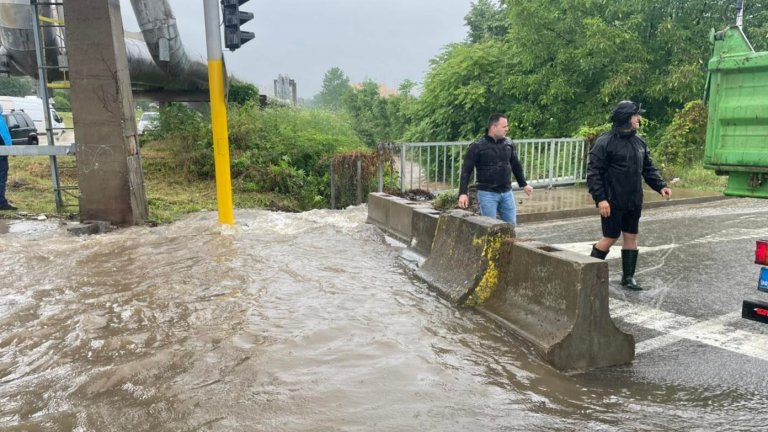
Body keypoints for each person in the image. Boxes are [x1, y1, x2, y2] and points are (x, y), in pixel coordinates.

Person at [587, 100, 671, 290]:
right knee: (610, 237)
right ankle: (589, 275)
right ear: (626, 118)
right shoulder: (605, 142)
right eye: (635, 116)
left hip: (633, 200)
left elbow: (648, 168)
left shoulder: (639, 142)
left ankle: (628, 277)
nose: (638, 119)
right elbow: (593, 173)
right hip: (612, 201)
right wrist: (600, 199)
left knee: (631, 236)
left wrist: (661, 186)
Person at [457, 113, 533, 224]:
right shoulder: (477, 147)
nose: (507, 129)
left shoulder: (509, 144)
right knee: (490, 227)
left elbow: (516, 165)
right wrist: (463, 193)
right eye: (504, 126)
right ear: (494, 127)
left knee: (511, 226)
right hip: (487, 193)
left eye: (507, 126)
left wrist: (524, 184)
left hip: (507, 192)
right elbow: (466, 171)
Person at [0, 104, 15, 211]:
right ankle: (1, 203)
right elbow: (4, 135)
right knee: (1, 179)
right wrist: (11, 149)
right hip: (1, 155)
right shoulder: (0, 120)